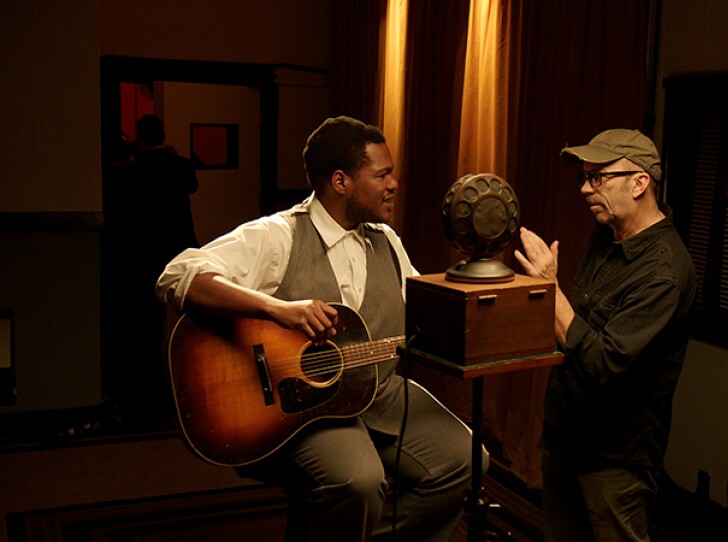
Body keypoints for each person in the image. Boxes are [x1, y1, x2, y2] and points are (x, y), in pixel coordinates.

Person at [155, 116, 485, 541]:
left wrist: (484, 282)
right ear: (341, 181)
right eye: (382, 174)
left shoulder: (386, 239)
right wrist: (277, 309)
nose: (394, 184)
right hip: (299, 406)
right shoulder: (280, 235)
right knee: (359, 481)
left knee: (468, 459)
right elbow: (178, 275)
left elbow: (423, 316)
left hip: (377, 390)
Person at [514, 129, 697, 542]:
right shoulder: (608, 233)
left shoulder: (664, 274)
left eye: (598, 177)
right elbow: (579, 326)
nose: (584, 188)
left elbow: (602, 361)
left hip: (615, 458)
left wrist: (548, 288)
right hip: (565, 437)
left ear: (639, 182)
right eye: (584, 177)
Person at [105, 114, 200, 424]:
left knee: (145, 323)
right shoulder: (181, 165)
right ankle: (192, 377)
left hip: (143, 253)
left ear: (140, 137)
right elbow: (192, 184)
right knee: (191, 317)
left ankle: (146, 389)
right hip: (179, 250)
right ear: (163, 134)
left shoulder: (131, 171)